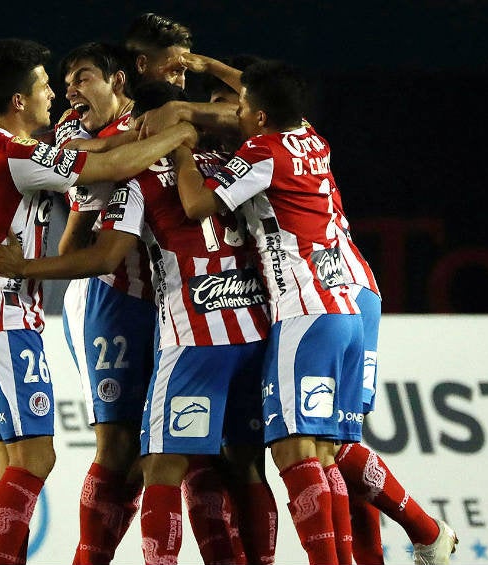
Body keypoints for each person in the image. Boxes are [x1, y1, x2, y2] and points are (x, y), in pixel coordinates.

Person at [0, 80, 277, 565]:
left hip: (186, 326)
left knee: (166, 460)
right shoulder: (243, 162)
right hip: (227, 322)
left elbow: (101, 247)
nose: (64, 90)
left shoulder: (142, 173)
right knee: (205, 458)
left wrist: (27, 267)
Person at [172, 60, 460, 564]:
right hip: (357, 293)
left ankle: (406, 537)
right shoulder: (309, 135)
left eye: (235, 108)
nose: (228, 116)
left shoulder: (260, 151)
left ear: (256, 114)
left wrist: (177, 138)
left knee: (301, 448)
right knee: (337, 444)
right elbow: (264, 93)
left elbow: (197, 207)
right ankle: (419, 535)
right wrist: (204, 64)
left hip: (310, 305)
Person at [0, 38, 197, 565]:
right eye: (44, 86)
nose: (53, 96)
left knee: (14, 463)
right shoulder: (18, 154)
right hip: (6, 314)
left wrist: (141, 129)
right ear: (19, 99)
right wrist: (178, 133)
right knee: (36, 460)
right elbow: (109, 169)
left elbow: (99, 152)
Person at [52, 42, 155, 565]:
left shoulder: (151, 122)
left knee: (163, 452)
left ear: (118, 81)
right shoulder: (76, 134)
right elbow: (73, 245)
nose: (70, 91)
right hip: (108, 296)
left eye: (82, 77)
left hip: (170, 305)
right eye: (65, 81)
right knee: (116, 447)